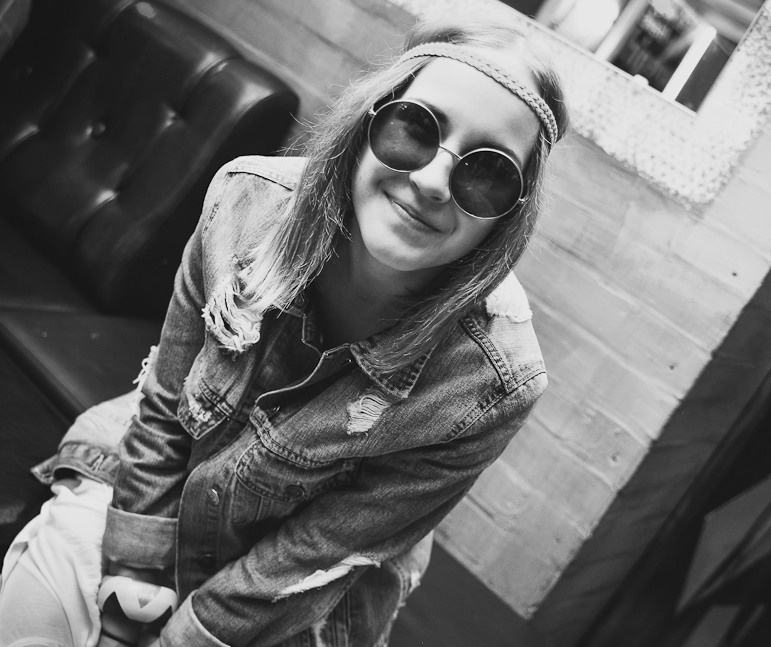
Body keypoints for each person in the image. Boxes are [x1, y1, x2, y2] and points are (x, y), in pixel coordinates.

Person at [0, 15, 568, 647]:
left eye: (488, 173)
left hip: (299, 588)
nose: (432, 182)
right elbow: (164, 407)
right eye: (416, 127)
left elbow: (318, 554)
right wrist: (131, 584)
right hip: (161, 480)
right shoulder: (245, 204)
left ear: (509, 215)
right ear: (369, 121)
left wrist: (181, 637)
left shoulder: (492, 383)